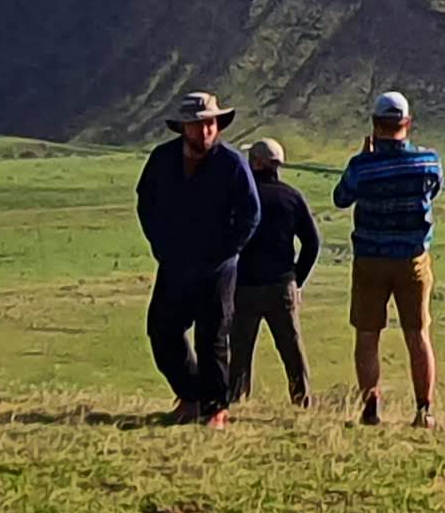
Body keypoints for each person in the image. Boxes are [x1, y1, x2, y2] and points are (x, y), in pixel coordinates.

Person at [132, 91, 259, 425]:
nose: (204, 131)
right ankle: (190, 396)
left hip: (217, 268)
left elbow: (251, 213)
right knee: (162, 331)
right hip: (175, 263)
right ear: (183, 128)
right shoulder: (162, 159)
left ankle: (216, 408)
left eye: (209, 124)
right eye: (196, 125)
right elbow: (146, 202)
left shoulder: (232, 163)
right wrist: (160, 245)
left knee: (213, 336)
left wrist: (228, 250)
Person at [332, 89, 445, 427]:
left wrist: (364, 157)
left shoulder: (361, 168)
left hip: (370, 258)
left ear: (375, 125)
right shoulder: (427, 162)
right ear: (407, 123)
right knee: (418, 334)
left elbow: (341, 197)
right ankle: (424, 410)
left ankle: (371, 408)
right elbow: (435, 188)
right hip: (412, 258)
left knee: (368, 335)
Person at [227, 136, 320, 409]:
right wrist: (295, 279)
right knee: (292, 349)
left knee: (240, 351)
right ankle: (302, 401)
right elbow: (312, 243)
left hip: (244, 287)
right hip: (281, 286)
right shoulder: (292, 197)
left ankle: (235, 402)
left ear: (256, 163)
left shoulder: (241, 197)